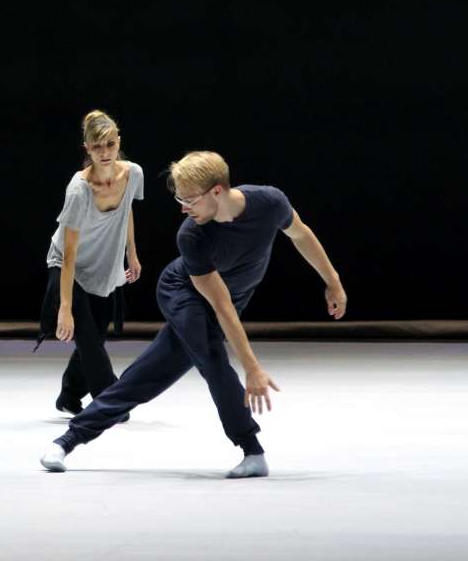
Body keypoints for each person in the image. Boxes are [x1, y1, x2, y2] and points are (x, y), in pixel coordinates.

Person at [40, 150, 347, 478]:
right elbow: (221, 306)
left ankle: (67, 440)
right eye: (179, 199)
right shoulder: (193, 235)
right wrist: (252, 368)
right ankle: (252, 449)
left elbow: (301, 234)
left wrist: (333, 282)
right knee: (212, 356)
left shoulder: (270, 203)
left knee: (149, 375)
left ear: (217, 191)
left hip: (228, 301)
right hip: (182, 292)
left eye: (189, 200)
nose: (183, 208)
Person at [39, 110, 143, 415]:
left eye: (110, 144)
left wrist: (132, 253)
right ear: (87, 148)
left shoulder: (133, 174)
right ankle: (110, 401)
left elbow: (127, 210)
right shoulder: (79, 189)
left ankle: (69, 395)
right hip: (67, 266)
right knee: (87, 337)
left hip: (102, 264)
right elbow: (69, 253)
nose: (105, 152)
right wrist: (65, 308)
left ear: (118, 140)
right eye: (97, 146)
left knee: (95, 336)